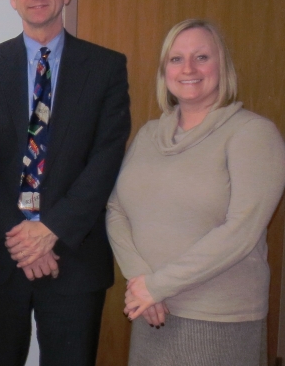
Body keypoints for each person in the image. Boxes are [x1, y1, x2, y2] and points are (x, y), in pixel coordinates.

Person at [0, 0, 131, 366]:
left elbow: (106, 158)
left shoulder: (105, 67)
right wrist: (21, 236)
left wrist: (51, 229)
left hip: (73, 257)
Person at [106, 19, 285, 366]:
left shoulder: (253, 134)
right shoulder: (148, 134)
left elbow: (242, 232)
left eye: (202, 57)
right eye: (176, 59)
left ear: (223, 66)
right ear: (165, 71)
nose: (188, 68)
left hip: (219, 320)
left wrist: (157, 286)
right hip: (150, 311)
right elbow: (116, 210)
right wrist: (141, 281)